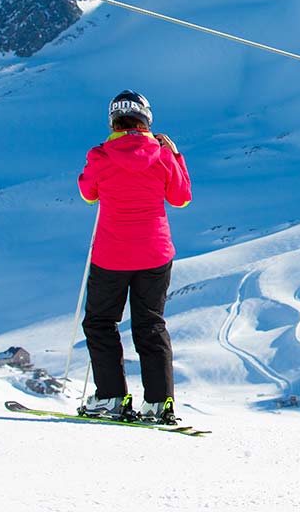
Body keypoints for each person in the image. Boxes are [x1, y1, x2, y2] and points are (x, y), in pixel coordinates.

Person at [76, 91, 192, 424]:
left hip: (112, 254)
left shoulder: (101, 155)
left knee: (100, 323)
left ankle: (110, 397)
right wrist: (176, 155)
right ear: (146, 120)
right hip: (154, 254)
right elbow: (181, 198)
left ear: (113, 121)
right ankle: (158, 404)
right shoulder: (161, 155)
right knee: (150, 326)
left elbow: (88, 194)